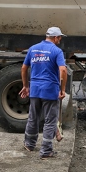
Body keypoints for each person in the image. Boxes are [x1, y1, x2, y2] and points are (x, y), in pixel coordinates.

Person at [19, 27, 67, 159]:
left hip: (35, 89)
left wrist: (25, 86)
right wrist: (62, 89)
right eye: (60, 38)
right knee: (50, 121)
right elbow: (63, 70)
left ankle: (29, 144)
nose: (60, 40)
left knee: (33, 117)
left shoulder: (33, 49)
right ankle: (46, 151)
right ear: (55, 38)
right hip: (50, 90)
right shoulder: (57, 51)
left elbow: (24, 67)